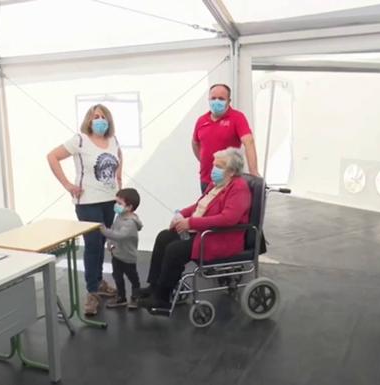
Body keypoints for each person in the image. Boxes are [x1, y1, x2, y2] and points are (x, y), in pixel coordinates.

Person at [139, 147, 251, 312]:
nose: (214, 170)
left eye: (219, 167)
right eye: (214, 165)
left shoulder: (239, 188)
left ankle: (162, 297)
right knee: (164, 236)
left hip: (220, 238)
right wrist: (180, 214)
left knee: (174, 250)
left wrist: (191, 223)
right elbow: (200, 205)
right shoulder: (218, 184)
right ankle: (154, 286)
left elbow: (228, 219)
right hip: (204, 233)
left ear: (232, 171)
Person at [47, 104, 122, 316]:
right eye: (96, 116)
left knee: (102, 242)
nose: (100, 120)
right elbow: (52, 157)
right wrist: (68, 185)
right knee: (92, 245)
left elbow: (119, 158)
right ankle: (91, 292)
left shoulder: (113, 140)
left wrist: (120, 184)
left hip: (109, 200)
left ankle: (98, 283)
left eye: (104, 117)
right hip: (88, 201)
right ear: (89, 120)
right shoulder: (79, 140)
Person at [192, 84, 259, 193]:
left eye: (221, 99)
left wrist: (254, 171)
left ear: (229, 100)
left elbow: (249, 142)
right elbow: (195, 143)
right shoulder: (201, 120)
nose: (216, 101)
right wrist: (204, 160)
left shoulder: (237, 118)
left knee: (227, 209)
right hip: (206, 179)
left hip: (229, 180)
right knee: (205, 208)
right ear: (208, 99)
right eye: (213, 98)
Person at [100, 188, 143, 310]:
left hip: (128, 257)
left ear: (129, 207)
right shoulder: (119, 217)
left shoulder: (130, 223)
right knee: (117, 276)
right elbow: (114, 230)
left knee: (132, 277)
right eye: (116, 202)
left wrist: (104, 231)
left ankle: (136, 296)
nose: (116, 206)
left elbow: (119, 235)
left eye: (119, 203)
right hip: (117, 254)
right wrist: (109, 243)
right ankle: (121, 297)